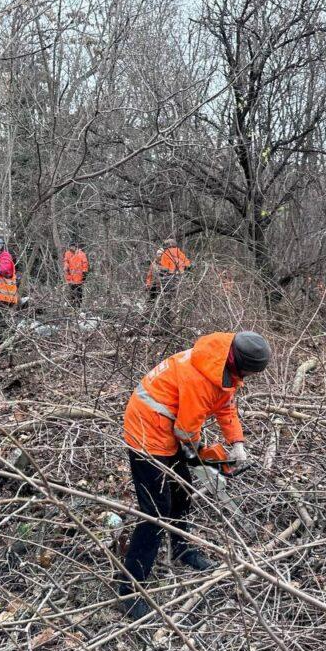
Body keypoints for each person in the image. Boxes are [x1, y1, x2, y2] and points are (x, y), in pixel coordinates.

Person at [118, 331, 272, 619]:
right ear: (241, 363)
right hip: (147, 432)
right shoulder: (200, 377)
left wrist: (236, 443)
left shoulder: (223, 364)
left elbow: (225, 406)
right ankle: (129, 588)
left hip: (169, 428)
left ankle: (181, 548)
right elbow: (186, 431)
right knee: (155, 512)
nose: (247, 379)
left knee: (182, 492)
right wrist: (200, 455)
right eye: (249, 373)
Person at [63, 243, 89, 309]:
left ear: (76, 247)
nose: (72, 248)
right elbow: (66, 261)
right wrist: (66, 267)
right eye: (71, 246)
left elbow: (85, 263)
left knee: (79, 291)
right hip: (70, 277)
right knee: (71, 291)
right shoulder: (67, 253)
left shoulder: (81, 254)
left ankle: (79, 305)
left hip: (79, 277)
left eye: (73, 246)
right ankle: (72, 305)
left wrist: (84, 272)